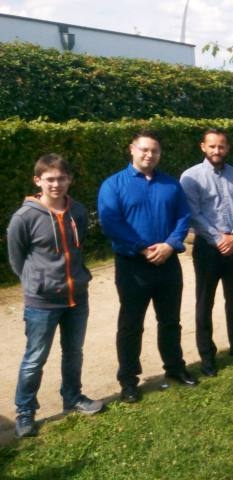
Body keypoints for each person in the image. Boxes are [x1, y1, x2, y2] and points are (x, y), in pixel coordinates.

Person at [98, 131, 197, 403]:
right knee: (131, 325)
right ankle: (129, 380)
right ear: (132, 149)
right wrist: (142, 247)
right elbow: (111, 223)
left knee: (170, 321)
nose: (149, 155)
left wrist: (170, 244)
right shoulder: (113, 185)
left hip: (167, 262)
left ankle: (175, 367)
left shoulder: (170, 184)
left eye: (154, 151)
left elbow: (183, 216)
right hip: (132, 266)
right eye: (144, 150)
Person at [8, 154, 102, 438]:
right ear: (38, 181)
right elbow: (17, 258)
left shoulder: (79, 212)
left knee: (74, 352)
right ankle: (25, 411)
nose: (56, 184)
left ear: (69, 179)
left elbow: (78, 246)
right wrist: (36, 283)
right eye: (50, 179)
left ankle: (72, 397)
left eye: (62, 178)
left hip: (77, 298)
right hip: (43, 303)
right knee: (35, 357)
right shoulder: (24, 217)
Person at [180, 129, 233, 377]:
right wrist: (218, 238)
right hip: (207, 249)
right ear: (203, 146)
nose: (217, 151)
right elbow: (193, 213)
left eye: (221, 146)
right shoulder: (191, 177)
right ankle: (207, 356)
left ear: (227, 148)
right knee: (205, 303)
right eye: (212, 146)